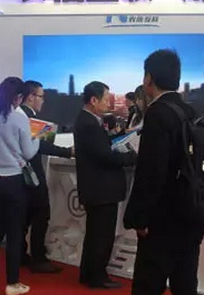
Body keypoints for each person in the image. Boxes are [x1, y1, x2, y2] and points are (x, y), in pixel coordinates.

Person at [124, 49, 204, 295]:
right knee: (185, 282)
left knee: (148, 284)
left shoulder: (158, 113)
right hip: (192, 210)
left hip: (163, 218)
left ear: (148, 78)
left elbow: (151, 172)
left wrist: (139, 218)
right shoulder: (191, 112)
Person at [0, 77, 40, 295]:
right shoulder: (19, 119)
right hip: (13, 181)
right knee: (14, 233)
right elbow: (29, 152)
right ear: (18, 97)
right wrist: (38, 137)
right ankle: (12, 283)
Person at [74, 81, 136, 289]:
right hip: (101, 188)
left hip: (96, 188)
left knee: (95, 234)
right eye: (105, 99)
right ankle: (97, 276)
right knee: (101, 235)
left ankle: (89, 273)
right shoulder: (89, 124)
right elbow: (104, 156)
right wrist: (131, 157)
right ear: (93, 100)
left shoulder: (88, 121)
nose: (108, 104)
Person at [19, 80, 73, 274]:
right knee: (41, 214)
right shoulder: (29, 119)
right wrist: (68, 152)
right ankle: (38, 258)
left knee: (23, 219)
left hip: (18, 175)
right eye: (41, 96)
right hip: (31, 175)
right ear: (31, 97)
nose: (43, 101)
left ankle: (20, 254)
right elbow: (42, 146)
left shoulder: (17, 115)